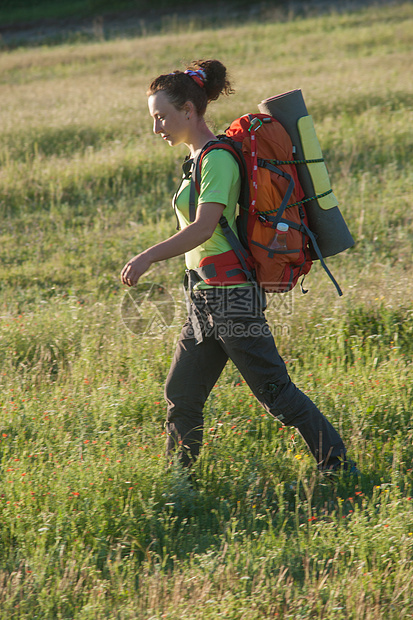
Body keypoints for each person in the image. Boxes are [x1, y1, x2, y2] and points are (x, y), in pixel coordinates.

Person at [121, 59, 358, 476]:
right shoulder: (195, 162)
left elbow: (203, 228)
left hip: (232, 300)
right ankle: (180, 481)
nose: (156, 126)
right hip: (204, 298)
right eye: (153, 118)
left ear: (190, 112)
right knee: (182, 394)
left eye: (162, 116)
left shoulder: (217, 160)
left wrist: (147, 256)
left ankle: (337, 465)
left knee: (275, 393)